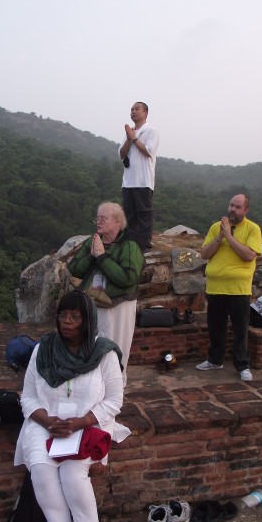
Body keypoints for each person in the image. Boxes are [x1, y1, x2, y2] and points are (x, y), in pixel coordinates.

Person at [14, 290, 130, 522]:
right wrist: (47, 421)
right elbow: (28, 397)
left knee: (71, 474)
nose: (66, 322)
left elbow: (114, 401)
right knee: (41, 474)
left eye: (75, 317)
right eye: (63, 315)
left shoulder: (103, 353)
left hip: (87, 423)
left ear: (87, 320)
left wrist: (80, 422)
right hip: (46, 422)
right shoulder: (43, 350)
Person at [68, 201, 144, 385]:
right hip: (92, 303)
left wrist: (102, 257)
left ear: (117, 222)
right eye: (97, 218)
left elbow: (129, 278)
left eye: (103, 218)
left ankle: (114, 386)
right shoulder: (93, 241)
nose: (98, 222)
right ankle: (91, 383)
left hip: (118, 306)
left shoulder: (129, 246)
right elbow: (74, 269)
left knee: (114, 346)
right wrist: (92, 255)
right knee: (90, 344)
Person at [196, 194, 262, 381]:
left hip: (238, 289)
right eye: (231, 205)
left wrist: (228, 236)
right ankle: (214, 360)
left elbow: (249, 255)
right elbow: (204, 254)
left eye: (238, 207)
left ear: (245, 210)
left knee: (240, 330)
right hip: (215, 287)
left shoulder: (253, 229)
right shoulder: (216, 227)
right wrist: (219, 236)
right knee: (215, 328)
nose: (233, 209)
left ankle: (242, 365)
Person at [118, 101, 159, 252]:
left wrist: (134, 138)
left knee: (143, 214)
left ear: (145, 113)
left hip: (143, 181)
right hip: (128, 181)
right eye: (132, 109)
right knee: (128, 214)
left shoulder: (151, 131)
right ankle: (129, 244)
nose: (133, 111)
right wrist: (129, 139)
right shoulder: (129, 133)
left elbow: (148, 151)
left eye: (137, 109)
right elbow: (121, 154)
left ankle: (143, 246)